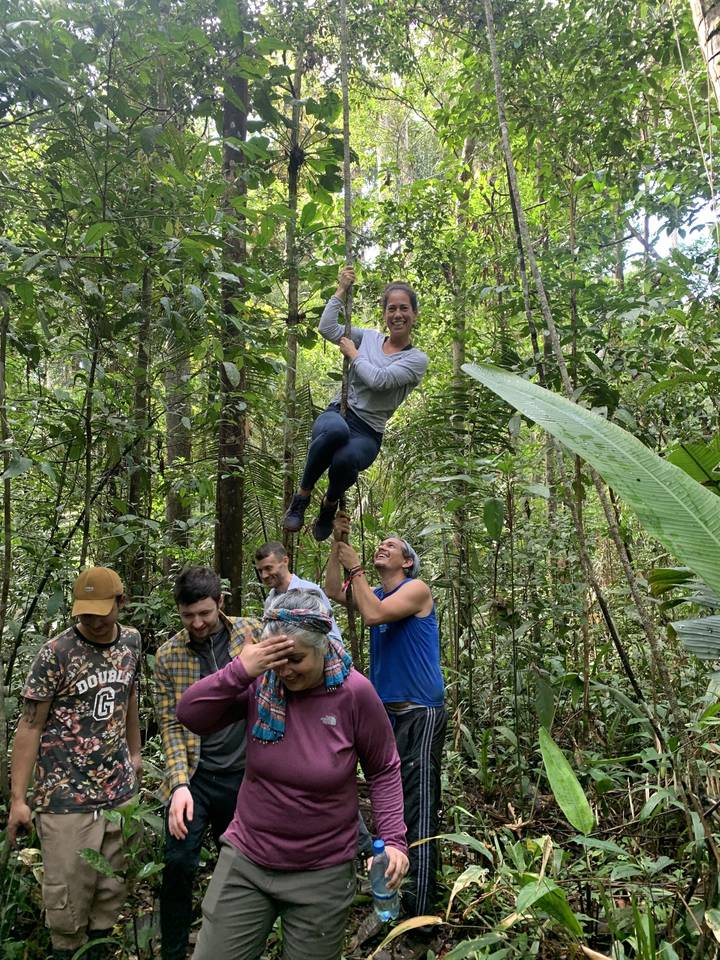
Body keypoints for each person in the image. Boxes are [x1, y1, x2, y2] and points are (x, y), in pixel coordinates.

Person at [176, 589, 409, 960]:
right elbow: (191, 715)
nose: (285, 670)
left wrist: (394, 840)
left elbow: (383, 768)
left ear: (322, 647)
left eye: (296, 659)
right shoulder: (260, 684)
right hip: (247, 858)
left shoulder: (354, 694)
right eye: (277, 658)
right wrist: (239, 671)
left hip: (322, 870)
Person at [7, 566, 142, 960]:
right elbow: (30, 726)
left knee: (112, 892)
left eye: (102, 612)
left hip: (117, 792)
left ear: (121, 602)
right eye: (85, 614)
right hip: (64, 796)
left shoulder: (131, 641)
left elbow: (127, 698)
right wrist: (19, 799)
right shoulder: (56, 653)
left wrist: (134, 754)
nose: (94, 622)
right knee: (66, 906)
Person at [326, 517, 446, 917]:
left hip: (420, 712)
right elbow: (331, 593)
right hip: (388, 714)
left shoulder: (416, 590)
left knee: (419, 806)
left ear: (407, 562)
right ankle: (408, 887)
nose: (383, 547)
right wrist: (336, 547)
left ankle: (421, 915)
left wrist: (356, 567)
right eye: (380, 543)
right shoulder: (374, 591)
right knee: (392, 803)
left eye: (391, 545)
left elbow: (374, 615)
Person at [154, 567, 262, 960]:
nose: (197, 623)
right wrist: (179, 784)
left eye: (205, 613)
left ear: (220, 603)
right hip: (197, 776)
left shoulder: (252, 633)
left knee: (241, 868)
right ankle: (174, 950)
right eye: (188, 616)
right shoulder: (168, 656)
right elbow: (170, 723)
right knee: (179, 864)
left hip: (246, 774)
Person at [283, 266, 428, 542]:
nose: (398, 314)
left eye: (404, 309)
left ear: (414, 314)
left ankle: (329, 504)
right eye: (392, 309)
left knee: (346, 458)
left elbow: (380, 380)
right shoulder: (370, 338)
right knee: (335, 431)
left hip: (367, 431)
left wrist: (353, 353)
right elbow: (327, 328)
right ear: (385, 314)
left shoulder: (416, 360)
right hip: (339, 411)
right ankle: (302, 496)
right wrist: (341, 290)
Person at [254, 540, 343, 645]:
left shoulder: (309, 592)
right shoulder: (270, 600)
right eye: (260, 571)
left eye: (268, 568)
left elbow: (334, 639)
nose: (264, 575)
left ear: (285, 561)